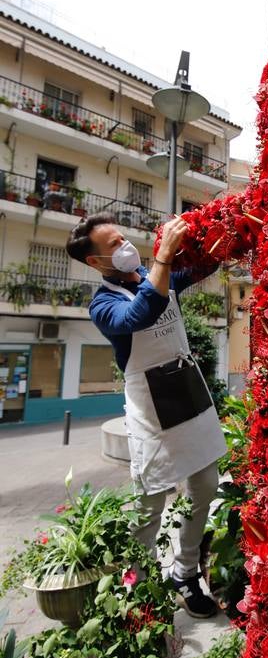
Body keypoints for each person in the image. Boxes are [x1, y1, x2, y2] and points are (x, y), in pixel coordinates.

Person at [66, 211, 226, 618]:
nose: (125, 247)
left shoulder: (159, 274)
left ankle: (185, 571)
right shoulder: (102, 305)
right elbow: (141, 315)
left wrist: (216, 229)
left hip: (188, 391)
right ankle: (137, 589)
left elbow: (206, 264)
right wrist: (163, 259)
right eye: (113, 245)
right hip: (151, 407)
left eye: (123, 238)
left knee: (205, 485)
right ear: (95, 263)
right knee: (149, 503)